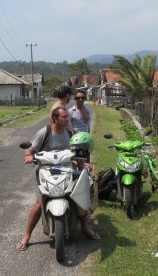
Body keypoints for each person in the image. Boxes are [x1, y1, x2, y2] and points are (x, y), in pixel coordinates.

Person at [16, 107, 99, 251]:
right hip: (46, 171)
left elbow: (77, 153)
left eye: (68, 117)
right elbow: (30, 149)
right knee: (40, 202)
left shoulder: (70, 133)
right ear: (55, 119)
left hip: (67, 171)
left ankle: (85, 227)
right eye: (64, 117)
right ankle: (27, 235)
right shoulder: (45, 132)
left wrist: (82, 162)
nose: (67, 120)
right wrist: (28, 156)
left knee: (77, 197)